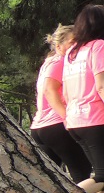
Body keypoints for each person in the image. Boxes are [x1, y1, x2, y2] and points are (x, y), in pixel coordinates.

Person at [30, 25, 91, 183]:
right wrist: (67, 118)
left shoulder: (49, 62)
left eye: (80, 41)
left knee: (50, 179)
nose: (77, 45)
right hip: (56, 125)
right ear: (58, 46)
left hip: (41, 127)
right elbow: (49, 90)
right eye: (72, 42)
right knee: (82, 171)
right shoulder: (60, 61)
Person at [62, 5, 104, 193]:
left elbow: (66, 91)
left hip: (75, 121)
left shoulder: (72, 52)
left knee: (100, 175)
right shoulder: (99, 46)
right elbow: (101, 85)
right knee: (102, 176)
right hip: (95, 119)